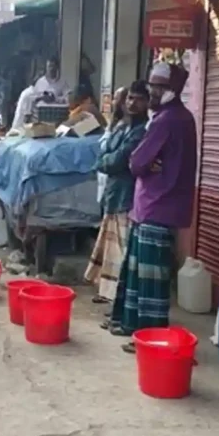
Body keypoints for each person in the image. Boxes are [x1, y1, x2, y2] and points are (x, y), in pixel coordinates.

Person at [109, 63, 197, 354]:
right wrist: (153, 163)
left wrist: (150, 164)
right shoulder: (184, 118)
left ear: (172, 90)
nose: (153, 92)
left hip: (155, 205)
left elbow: (136, 163)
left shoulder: (164, 121)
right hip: (164, 206)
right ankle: (136, 329)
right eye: (152, 86)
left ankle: (149, 337)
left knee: (149, 280)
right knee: (144, 273)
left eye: (159, 87)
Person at [85, 81, 149, 305]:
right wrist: (106, 161)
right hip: (113, 194)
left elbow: (117, 160)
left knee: (121, 251)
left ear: (148, 103)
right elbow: (105, 155)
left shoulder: (143, 131)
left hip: (127, 196)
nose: (132, 103)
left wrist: (106, 161)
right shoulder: (123, 126)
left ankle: (118, 296)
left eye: (139, 99)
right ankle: (108, 292)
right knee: (111, 248)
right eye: (130, 98)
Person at [97, 87, 129, 205]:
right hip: (106, 179)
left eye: (116, 99)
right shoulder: (115, 122)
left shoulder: (125, 126)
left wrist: (103, 160)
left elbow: (106, 147)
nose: (113, 102)